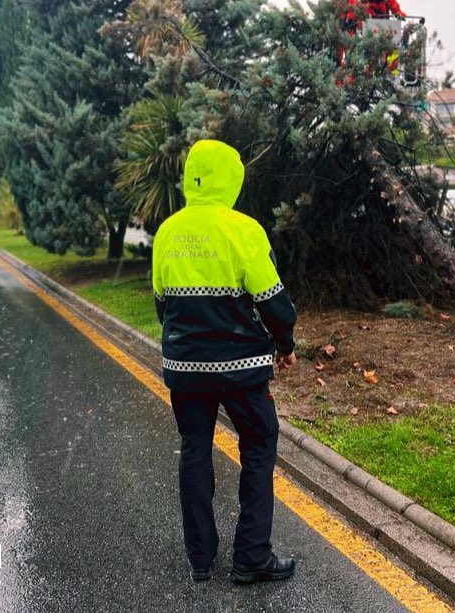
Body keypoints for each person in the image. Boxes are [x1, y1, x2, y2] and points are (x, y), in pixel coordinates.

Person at [152, 139, 298, 585]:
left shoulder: (167, 233)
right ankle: (251, 556)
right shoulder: (244, 230)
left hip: (185, 368)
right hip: (242, 368)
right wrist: (285, 342)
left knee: (195, 448)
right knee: (258, 443)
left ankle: (200, 557)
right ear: (231, 178)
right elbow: (273, 301)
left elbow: (163, 304)